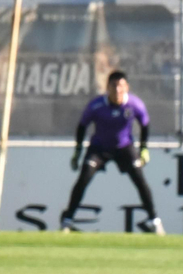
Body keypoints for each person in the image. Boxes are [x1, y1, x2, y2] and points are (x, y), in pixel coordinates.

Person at [60, 71, 164, 235]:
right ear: (107, 87)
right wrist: (78, 151)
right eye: (113, 86)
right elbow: (82, 126)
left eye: (121, 86)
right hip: (99, 148)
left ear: (127, 87)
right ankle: (67, 221)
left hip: (124, 147)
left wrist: (144, 149)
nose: (117, 90)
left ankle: (155, 222)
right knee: (84, 178)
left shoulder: (135, 104)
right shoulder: (96, 105)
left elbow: (145, 124)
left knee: (140, 181)